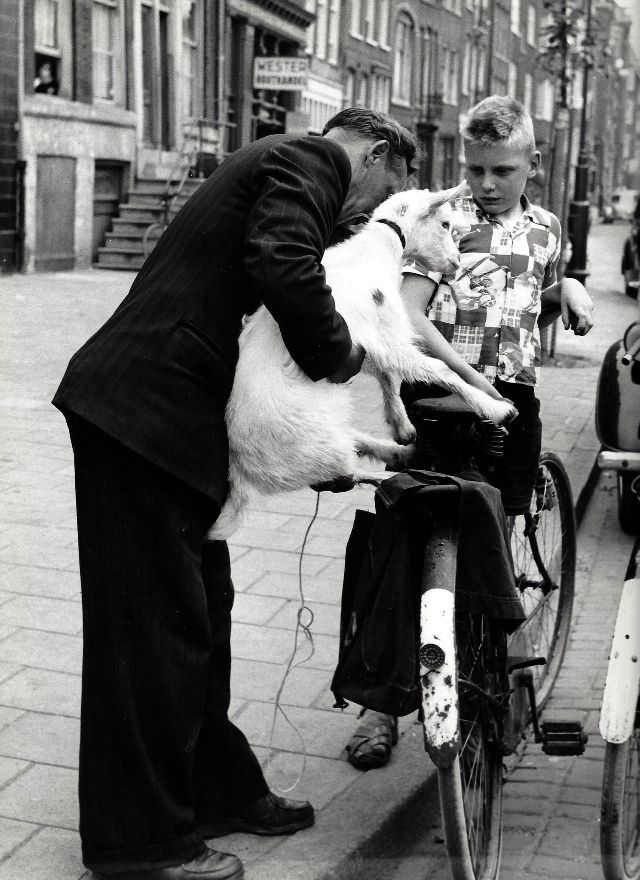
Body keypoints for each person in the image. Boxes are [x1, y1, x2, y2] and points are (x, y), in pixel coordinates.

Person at [52, 108, 416, 880]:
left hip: (171, 426)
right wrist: (343, 358)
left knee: (202, 617)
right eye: (386, 191)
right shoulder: (313, 158)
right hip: (138, 416)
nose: (367, 213)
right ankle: (139, 846)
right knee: (149, 637)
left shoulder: (278, 163)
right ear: (376, 153)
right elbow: (284, 263)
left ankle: (217, 789)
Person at [345, 95, 594, 770]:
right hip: (442, 398)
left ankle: (502, 672)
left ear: (532, 166)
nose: (486, 184)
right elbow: (411, 314)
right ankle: (383, 706)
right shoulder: (440, 218)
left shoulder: (545, 229)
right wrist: (468, 386)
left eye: (503, 171)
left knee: (502, 537)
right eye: (476, 168)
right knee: (410, 541)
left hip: (514, 402)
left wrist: (565, 288)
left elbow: (520, 294)